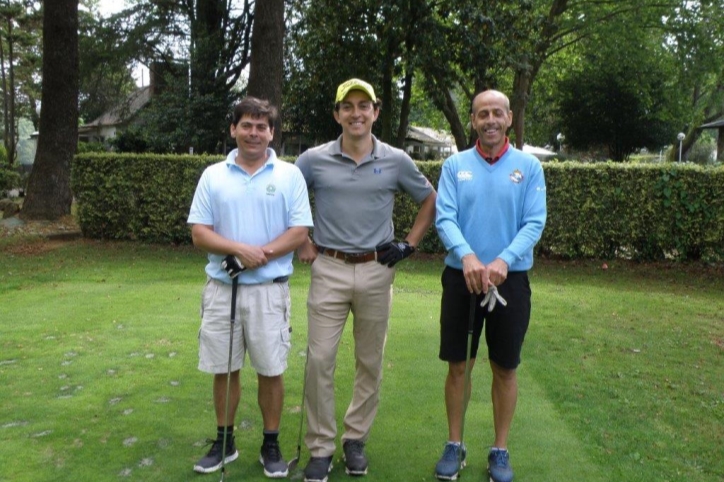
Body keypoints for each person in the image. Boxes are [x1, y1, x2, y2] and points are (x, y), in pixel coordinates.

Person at [294, 78, 437, 482]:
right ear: (337, 114)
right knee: (319, 359)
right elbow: (285, 197)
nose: (356, 113)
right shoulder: (312, 159)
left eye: (364, 106)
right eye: (348, 106)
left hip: (377, 270)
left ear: (375, 112)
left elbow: (430, 199)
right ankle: (320, 448)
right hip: (329, 267)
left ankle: (355, 439)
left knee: (369, 362)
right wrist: (302, 239)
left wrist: (408, 244)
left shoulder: (396, 160)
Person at [187, 96, 313, 478]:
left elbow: (300, 231)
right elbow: (199, 233)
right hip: (223, 288)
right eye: (247, 125)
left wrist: (261, 254)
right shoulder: (213, 175)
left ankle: (270, 443)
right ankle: (224, 441)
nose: (254, 133)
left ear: (271, 132)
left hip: (268, 290)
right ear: (233, 129)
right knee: (223, 369)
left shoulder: (289, 175)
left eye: (261, 126)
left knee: (271, 369)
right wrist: (238, 250)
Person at [433, 90, 546, 482]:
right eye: (483, 114)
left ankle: (500, 449)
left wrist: (502, 260)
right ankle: (454, 444)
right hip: (461, 277)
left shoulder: (528, 167)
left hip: (509, 281)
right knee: (459, 366)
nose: (491, 120)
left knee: (505, 368)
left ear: (509, 118)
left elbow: (534, 222)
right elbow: (445, 217)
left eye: (497, 113)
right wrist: (467, 255)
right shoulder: (454, 165)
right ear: (474, 120)